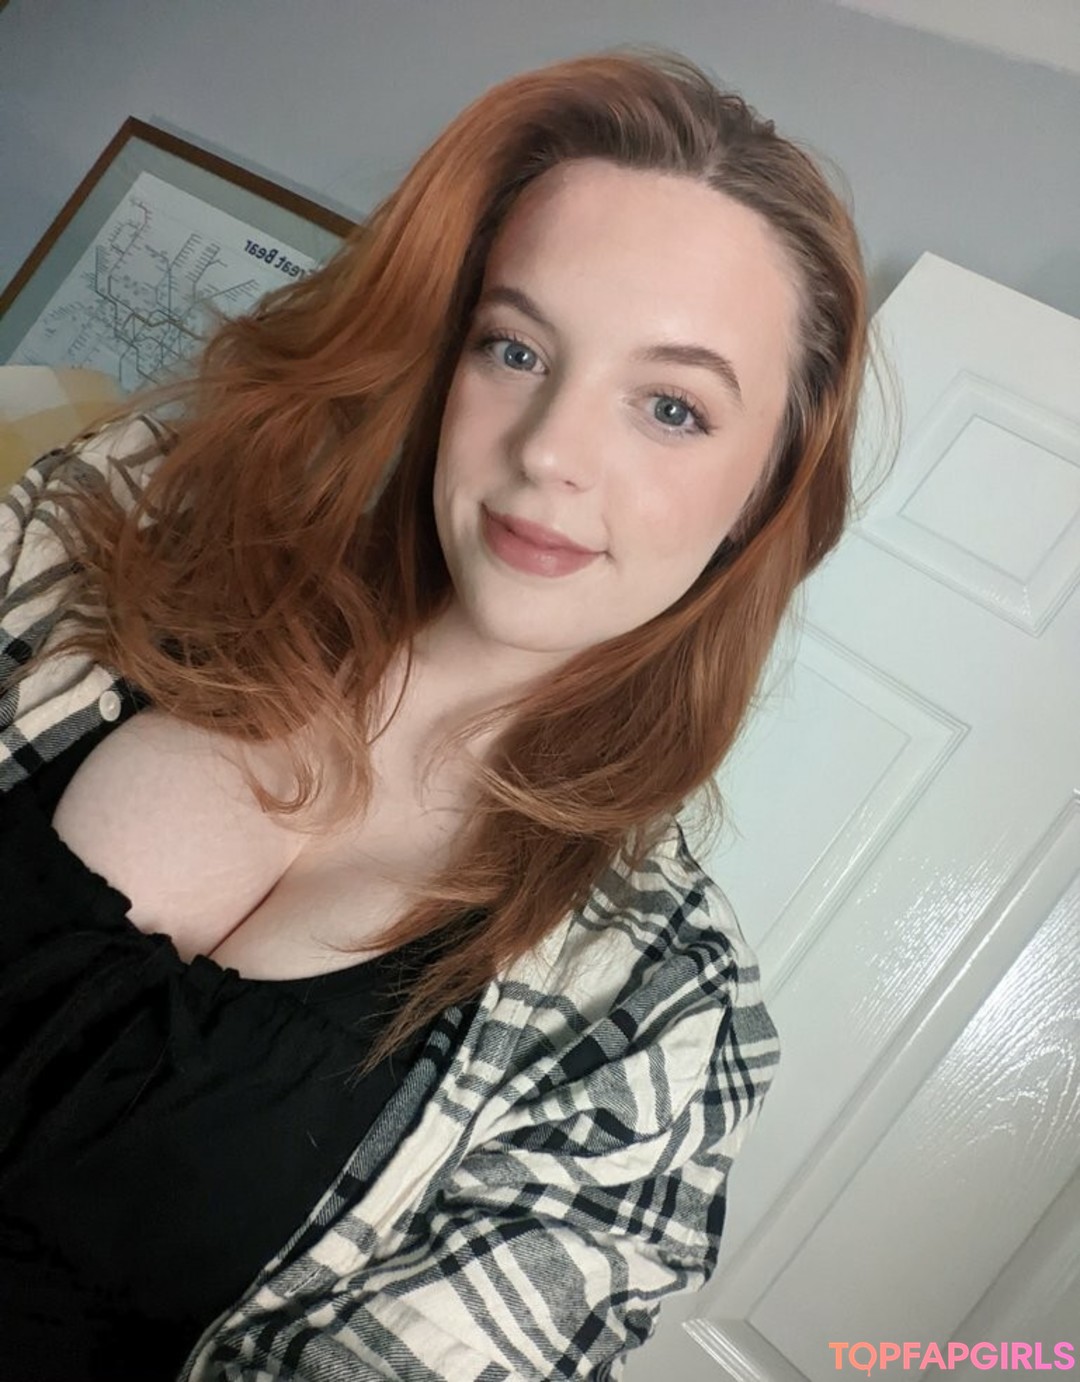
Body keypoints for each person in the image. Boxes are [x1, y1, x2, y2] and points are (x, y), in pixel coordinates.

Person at [0, 45, 869, 1382]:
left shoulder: (651, 1020)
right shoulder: (116, 531)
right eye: (515, 348)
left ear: (767, 488)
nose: (549, 451)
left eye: (672, 407)